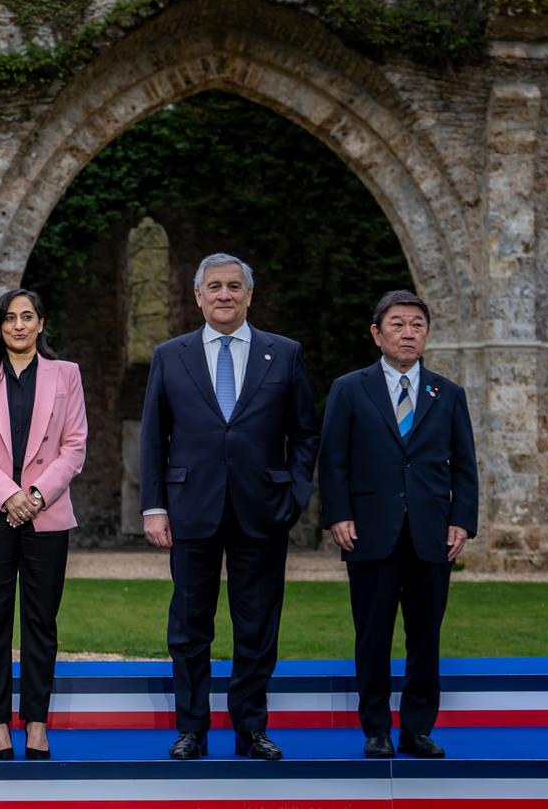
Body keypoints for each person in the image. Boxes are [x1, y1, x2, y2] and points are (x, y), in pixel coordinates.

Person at [139, 253, 317, 761]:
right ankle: (191, 729)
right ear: (197, 296)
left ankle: (250, 730)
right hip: (190, 506)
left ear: (249, 294)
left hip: (262, 510)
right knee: (190, 626)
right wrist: (154, 506)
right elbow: (154, 437)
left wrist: (295, 492)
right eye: (214, 286)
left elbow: (305, 433)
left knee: (257, 625)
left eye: (234, 286)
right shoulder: (170, 355)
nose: (224, 294)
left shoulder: (283, 354)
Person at [319, 290, 479, 760]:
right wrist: (338, 514)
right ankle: (376, 729)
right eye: (397, 324)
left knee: (425, 636)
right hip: (370, 530)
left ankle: (417, 729)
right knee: (373, 635)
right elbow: (333, 460)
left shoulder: (447, 394)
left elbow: (465, 466)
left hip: (432, 533)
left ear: (427, 334)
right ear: (377, 333)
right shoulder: (350, 388)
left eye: (416, 325)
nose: (408, 333)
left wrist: (462, 521)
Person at [0, 288, 87, 760]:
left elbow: (74, 446)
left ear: (41, 323)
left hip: (45, 513)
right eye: (10, 317)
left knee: (40, 621)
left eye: (27, 316)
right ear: (0, 324)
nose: (18, 325)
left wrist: (33, 496)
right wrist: (9, 495)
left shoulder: (66, 375)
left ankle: (35, 721)